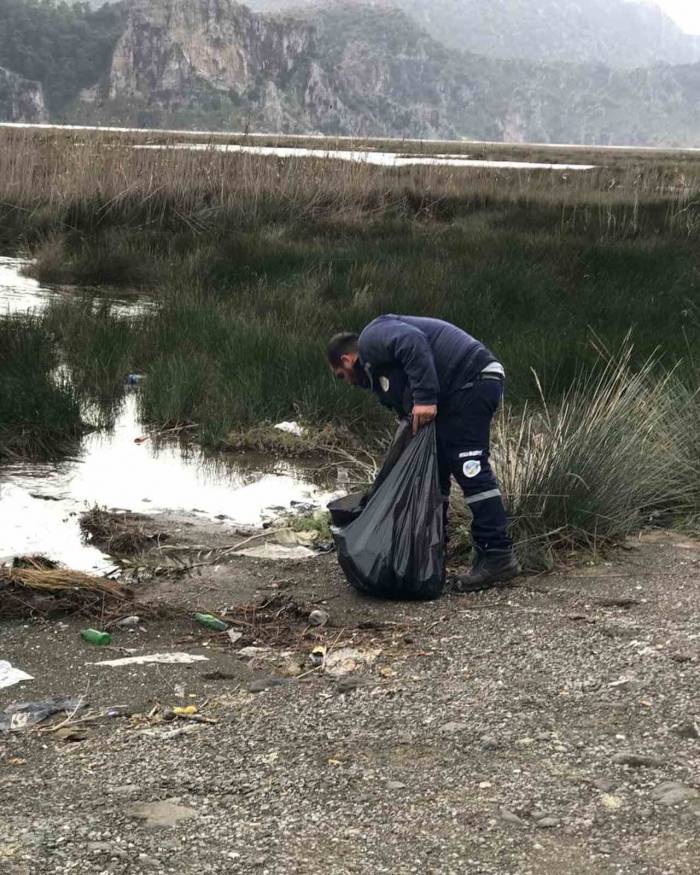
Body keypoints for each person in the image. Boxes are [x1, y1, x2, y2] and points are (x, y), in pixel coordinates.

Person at [327, 314, 520, 591]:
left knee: (470, 467)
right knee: (434, 474)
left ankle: (497, 554)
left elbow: (412, 341)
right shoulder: (379, 375)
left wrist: (425, 399)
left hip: (472, 379)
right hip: (454, 393)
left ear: (346, 360)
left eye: (341, 376)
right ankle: (431, 557)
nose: (347, 382)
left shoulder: (372, 336)